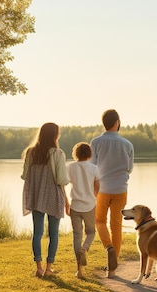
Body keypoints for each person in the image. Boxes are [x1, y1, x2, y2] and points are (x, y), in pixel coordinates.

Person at [21, 122, 70, 278]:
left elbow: (25, 176)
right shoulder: (57, 153)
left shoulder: (30, 152)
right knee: (54, 233)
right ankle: (49, 268)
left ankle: (39, 268)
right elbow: (62, 179)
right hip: (54, 195)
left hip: (36, 196)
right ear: (54, 135)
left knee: (37, 232)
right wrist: (67, 200)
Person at [90, 109, 134, 278]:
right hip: (121, 189)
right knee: (116, 226)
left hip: (102, 189)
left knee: (99, 220)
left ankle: (108, 247)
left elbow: (93, 168)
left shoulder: (96, 142)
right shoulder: (127, 144)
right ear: (117, 122)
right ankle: (112, 269)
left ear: (104, 124)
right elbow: (129, 168)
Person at [67, 142, 100, 279]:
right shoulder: (94, 168)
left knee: (77, 236)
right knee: (91, 232)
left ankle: (79, 271)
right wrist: (94, 198)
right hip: (89, 206)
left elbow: (64, 182)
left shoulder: (70, 167)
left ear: (76, 154)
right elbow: (97, 187)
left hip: (75, 206)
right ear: (89, 154)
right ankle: (84, 248)